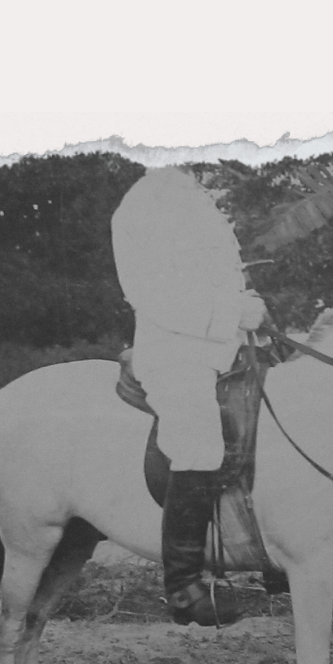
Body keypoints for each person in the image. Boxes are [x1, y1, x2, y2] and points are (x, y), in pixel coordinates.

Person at [111, 167, 267, 626]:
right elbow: (152, 294)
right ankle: (182, 583)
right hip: (177, 349)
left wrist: (248, 311)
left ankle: (276, 549)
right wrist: (233, 312)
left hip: (228, 347)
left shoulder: (193, 194)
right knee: (199, 441)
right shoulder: (142, 203)